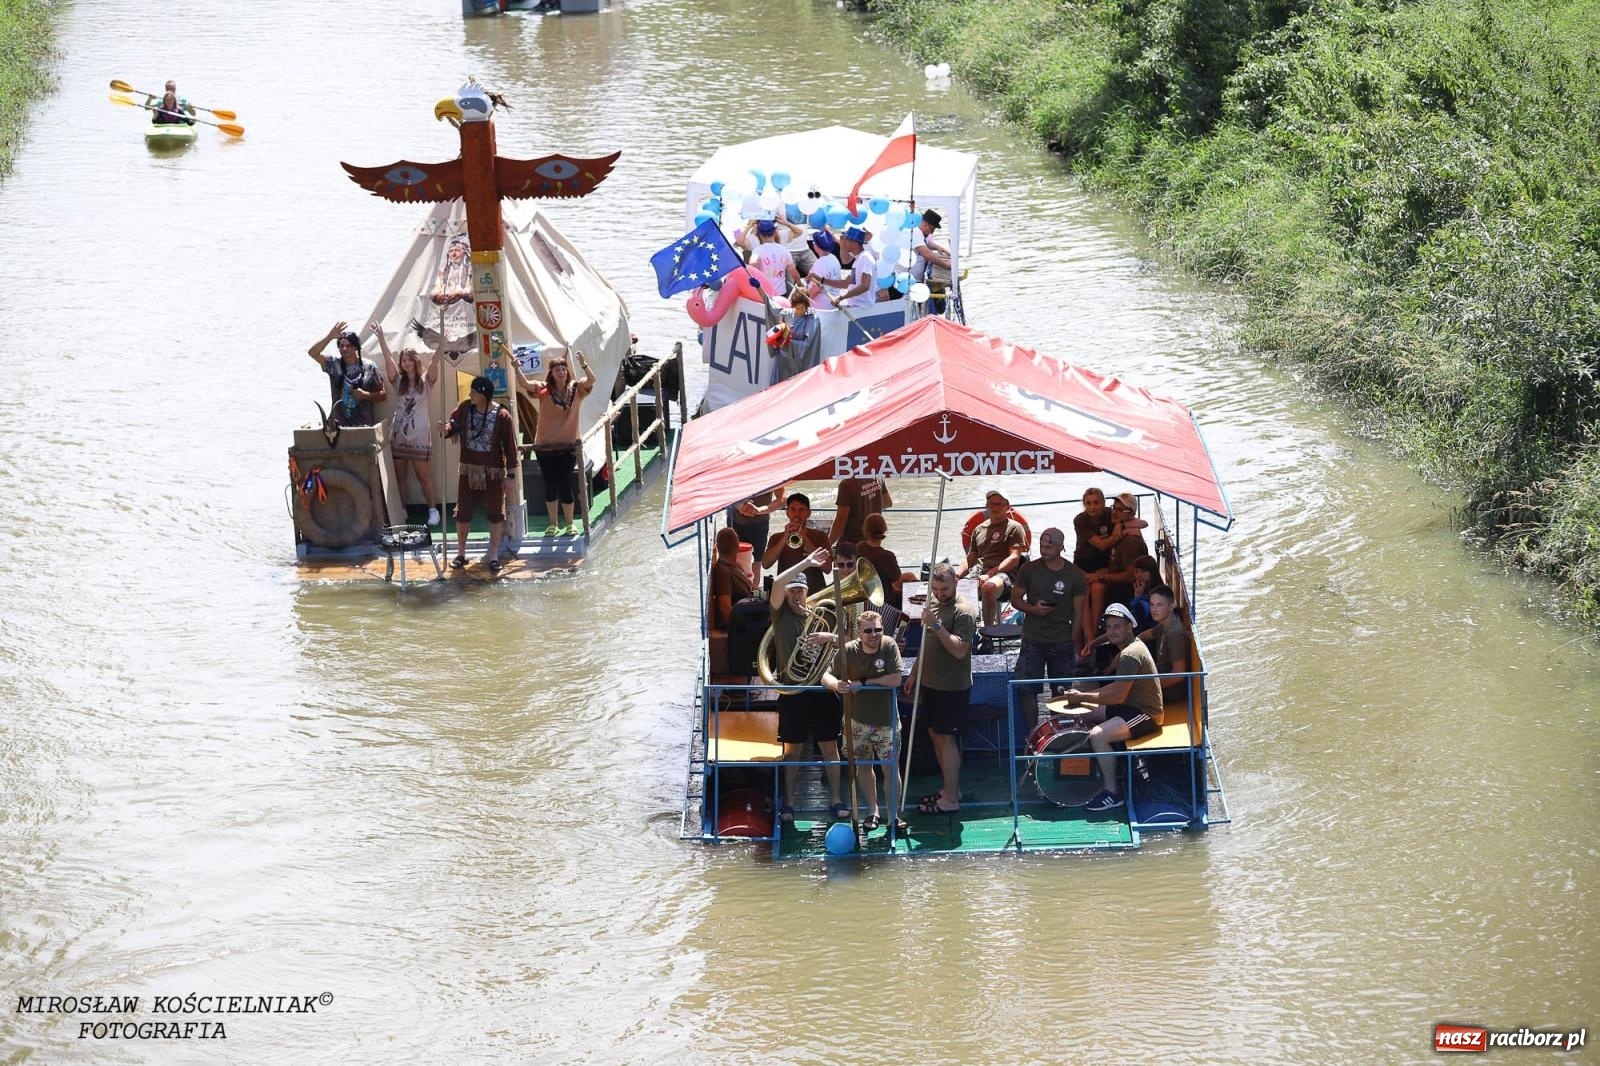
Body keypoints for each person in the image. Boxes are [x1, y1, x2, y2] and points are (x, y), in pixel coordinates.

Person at [1055, 603, 1165, 811]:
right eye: (1108, 627)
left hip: (1146, 714)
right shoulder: (1130, 646)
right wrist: (1084, 701)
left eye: (1117, 627)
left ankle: (1112, 792)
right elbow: (1117, 688)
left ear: (1129, 627)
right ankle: (1092, 770)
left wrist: (1082, 696)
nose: (1111, 632)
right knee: (1083, 713)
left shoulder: (1130, 654)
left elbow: (1117, 695)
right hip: (1129, 706)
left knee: (1098, 735)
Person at [767, 547, 846, 825]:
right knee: (793, 750)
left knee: (829, 747)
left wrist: (829, 637)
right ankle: (789, 803)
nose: (796, 595)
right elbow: (776, 583)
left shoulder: (821, 614)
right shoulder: (781, 615)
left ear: (807, 591)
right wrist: (808, 561)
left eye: (800, 591)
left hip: (822, 689)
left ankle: (836, 799)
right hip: (793, 690)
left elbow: (846, 640)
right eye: (792, 592)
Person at [904, 562, 977, 815]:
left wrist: (936, 625)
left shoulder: (963, 612)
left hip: (952, 688)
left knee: (947, 740)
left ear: (955, 582)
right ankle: (950, 789)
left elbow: (959, 651)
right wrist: (914, 672)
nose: (939, 593)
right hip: (931, 684)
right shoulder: (932, 605)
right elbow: (927, 643)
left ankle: (951, 801)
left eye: (944, 588)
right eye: (934, 588)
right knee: (935, 735)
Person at [823, 610, 905, 832]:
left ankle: (893, 816)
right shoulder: (848, 650)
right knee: (863, 766)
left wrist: (864, 682)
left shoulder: (889, 646)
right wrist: (836, 686)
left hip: (886, 721)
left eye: (877, 630)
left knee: (891, 768)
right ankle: (873, 810)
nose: (873, 634)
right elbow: (826, 675)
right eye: (868, 631)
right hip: (856, 721)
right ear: (858, 633)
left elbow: (896, 678)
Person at [1009, 526, 1089, 723]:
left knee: (1061, 691)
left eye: (1049, 547)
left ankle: (1058, 733)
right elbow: (1015, 598)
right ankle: (1032, 734)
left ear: (1061, 547)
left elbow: (1079, 611)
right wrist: (1033, 609)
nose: (1044, 550)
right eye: (1041, 546)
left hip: (1061, 637)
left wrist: (1074, 641)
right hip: (1032, 637)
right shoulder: (1028, 569)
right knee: (1026, 688)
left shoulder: (1075, 575)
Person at [440, 375, 516, 572]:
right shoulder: (465, 408)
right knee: (463, 513)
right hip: (469, 470)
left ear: (483, 394)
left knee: (495, 514)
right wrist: (445, 429)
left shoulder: (502, 415)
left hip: (494, 473)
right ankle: (461, 553)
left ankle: (493, 556)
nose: (470, 394)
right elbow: (453, 425)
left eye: (474, 391)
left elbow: (510, 446)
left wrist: (510, 476)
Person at [374, 322, 441, 527]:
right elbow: (388, 361)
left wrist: (442, 346)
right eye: (404, 360)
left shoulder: (425, 382)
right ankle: (401, 510)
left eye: (409, 360)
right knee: (400, 476)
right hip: (399, 435)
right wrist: (381, 339)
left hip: (420, 436)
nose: (406, 363)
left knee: (423, 475)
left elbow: (435, 365)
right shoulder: (398, 382)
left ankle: (433, 510)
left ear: (416, 362)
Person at [532, 350, 596, 535]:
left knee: (564, 483)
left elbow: (591, 380)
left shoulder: (577, 389)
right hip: (545, 446)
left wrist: (584, 364)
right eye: (557, 370)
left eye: (563, 369)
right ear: (551, 373)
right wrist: (517, 370)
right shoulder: (544, 390)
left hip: (568, 446)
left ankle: (569, 523)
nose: (561, 372)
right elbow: (526, 384)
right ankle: (553, 523)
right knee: (550, 484)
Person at [955, 489, 1027, 627]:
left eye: (1000, 504)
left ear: (1007, 507)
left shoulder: (1014, 528)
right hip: (979, 573)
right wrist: (956, 575)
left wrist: (989, 574)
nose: (995, 507)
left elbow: (1014, 557)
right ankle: (962, 632)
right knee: (947, 587)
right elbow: (970, 559)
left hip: (1004, 576)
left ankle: (988, 634)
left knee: (988, 587)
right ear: (987, 505)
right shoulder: (978, 529)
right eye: (992, 504)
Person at [307, 321, 386, 428]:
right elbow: (312, 353)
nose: (345, 349)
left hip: (363, 426)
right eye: (342, 346)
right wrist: (329, 337)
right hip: (338, 427)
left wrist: (365, 395)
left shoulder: (370, 367)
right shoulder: (334, 364)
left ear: (356, 348)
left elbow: (383, 395)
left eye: (348, 346)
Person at [1086, 493, 1150, 621]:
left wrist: (1101, 577)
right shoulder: (1119, 528)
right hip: (1119, 585)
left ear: (1131, 514)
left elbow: (1131, 576)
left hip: (1126, 592)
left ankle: (1092, 634)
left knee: (1090, 590)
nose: (1114, 513)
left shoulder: (1130, 542)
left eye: (1120, 510)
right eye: (1114, 508)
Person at [761, 492, 831, 593]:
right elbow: (766, 564)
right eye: (793, 509)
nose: (797, 514)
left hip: (814, 592)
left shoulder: (820, 536)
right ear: (787, 513)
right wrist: (785, 537)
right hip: (786, 592)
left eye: (801, 510)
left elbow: (828, 568)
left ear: (809, 513)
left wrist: (804, 537)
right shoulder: (776, 537)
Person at [1136, 584, 1192, 710]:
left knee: (1125, 693)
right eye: (1152, 605)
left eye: (1159, 605)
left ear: (1171, 606)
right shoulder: (1164, 624)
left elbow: (1179, 674)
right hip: (1159, 678)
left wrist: (1148, 685)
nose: (1154, 609)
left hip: (1173, 691)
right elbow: (1147, 634)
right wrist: (1134, 642)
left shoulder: (1174, 633)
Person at [727, 487, 783, 582]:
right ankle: (739, 589)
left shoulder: (772, 474)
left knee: (757, 561)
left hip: (760, 523)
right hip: (735, 521)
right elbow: (726, 492)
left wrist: (760, 510)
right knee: (735, 560)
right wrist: (740, 506)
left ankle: (754, 590)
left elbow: (782, 499)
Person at [738, 217, 802, 296]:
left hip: (764, 292)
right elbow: (793, 272)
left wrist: (749, 226)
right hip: (781, 292)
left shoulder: (758, 250)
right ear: (774, 232)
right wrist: (799, 284)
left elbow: (752, 264)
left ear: (759, 234)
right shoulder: (784, 249)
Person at [856, 513, 905, 611]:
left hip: (863, 598)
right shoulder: (888, 556)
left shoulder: (859, 548)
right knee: (909, 577)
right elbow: (897, 579)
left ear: (866, 530)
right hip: (885, 601)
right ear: (884, 530)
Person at [710, 526, 755, 630]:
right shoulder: (723, 571)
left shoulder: (735, 566)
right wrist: (742, 629)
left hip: (748, 610)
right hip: (741, 622)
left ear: (717, 547)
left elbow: (751, 586)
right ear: (737, 546)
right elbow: (725, 608)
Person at [828, 475, 893, 547]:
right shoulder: (876, 476)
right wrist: (871, 504)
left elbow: (840, 522)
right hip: (872, 540)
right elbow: (887, 502)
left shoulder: (847, 484)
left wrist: (827, 544)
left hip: (851, 544)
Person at [909, 208, 952, 314]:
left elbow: (927, 243)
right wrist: (946, 265)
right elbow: (926, 253)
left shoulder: (921, 233)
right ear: (925, 224)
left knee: (917, 309)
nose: (931, 233)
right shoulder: (916, 232)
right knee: (912, 310)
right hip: (909, 281)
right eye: (931, 230)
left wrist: (938, 248)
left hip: (916, 280)